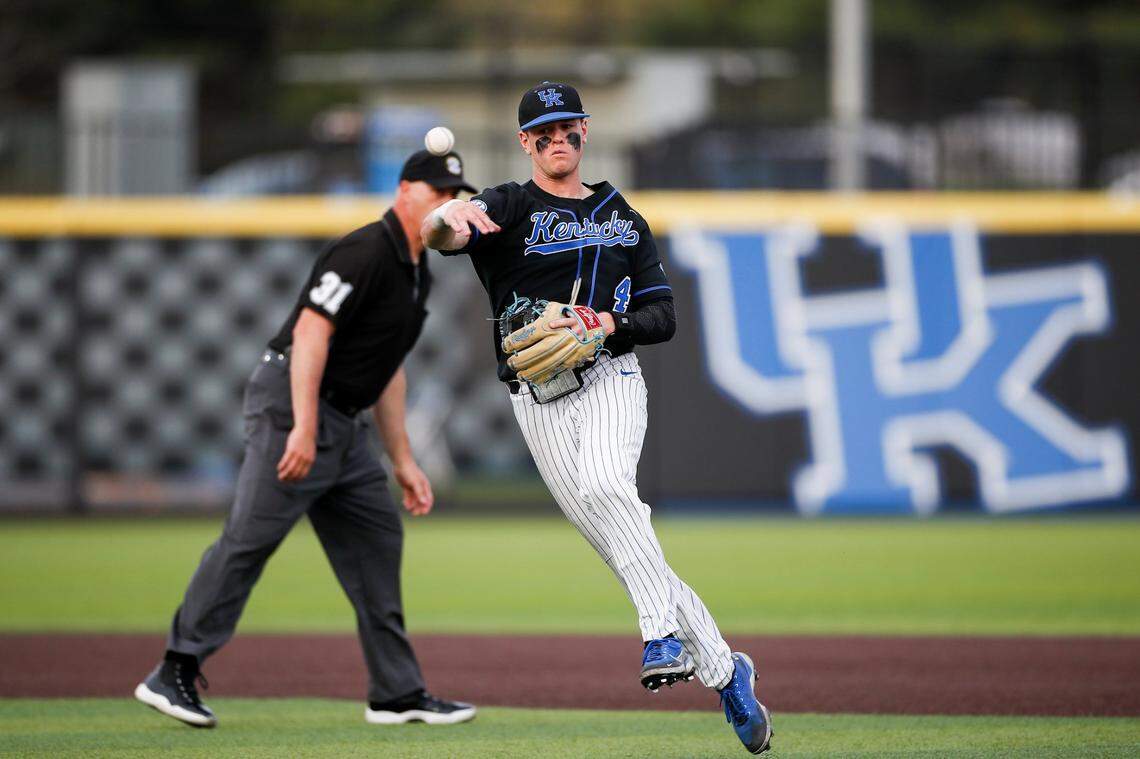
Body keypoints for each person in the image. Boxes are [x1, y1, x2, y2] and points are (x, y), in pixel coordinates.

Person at [421, 82, 774, 754]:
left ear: (585, 131)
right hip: (537, 399)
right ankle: (729, 671)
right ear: (525, 142)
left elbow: (663, 317)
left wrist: (606, 321)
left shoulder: (623, 217)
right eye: (543, 132)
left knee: (609, 487)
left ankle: (659, 637)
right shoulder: (507, 206)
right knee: (626, 547)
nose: (558, 140)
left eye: (568, 129)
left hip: (610, 374)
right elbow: (443, 231)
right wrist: (450, 220)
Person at [135, 149, 479, 729]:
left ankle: (395, 692)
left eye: (454, 194)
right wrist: (302, 424)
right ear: (404, 191)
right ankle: (172, 670)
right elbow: (311, 334)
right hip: (294, 405)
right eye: (436, 190)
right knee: (249, 540)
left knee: (377, 540)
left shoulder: (415, 269)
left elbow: (387, 370)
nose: (446, 203)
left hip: (346, 428)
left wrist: (403, 459)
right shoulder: (367, 250)